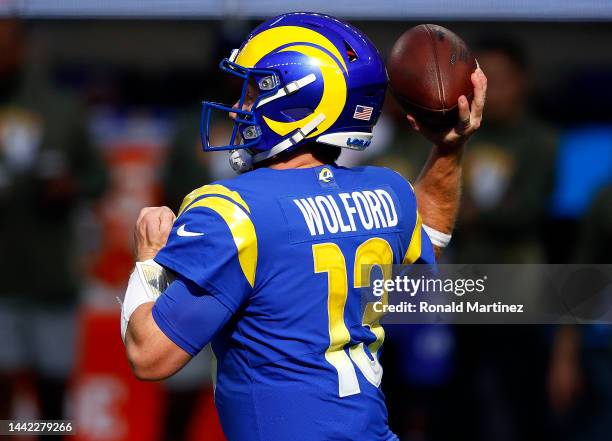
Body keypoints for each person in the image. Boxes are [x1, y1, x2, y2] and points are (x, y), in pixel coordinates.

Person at [120, 13, 486, 440]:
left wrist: (146, 262)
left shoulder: (232, 211)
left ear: (300, 100)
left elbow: (149, 356)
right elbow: (431, 240)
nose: (239, 107)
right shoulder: (389, 194)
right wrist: (450, 148)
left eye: (255, 90)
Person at [0, 18, 106, 425]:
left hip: (50, 278)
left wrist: (71, 187)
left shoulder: (60, 109)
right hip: (0, 280)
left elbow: (99, 177)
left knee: (51, 396)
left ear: (22, 49)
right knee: (3, 392)